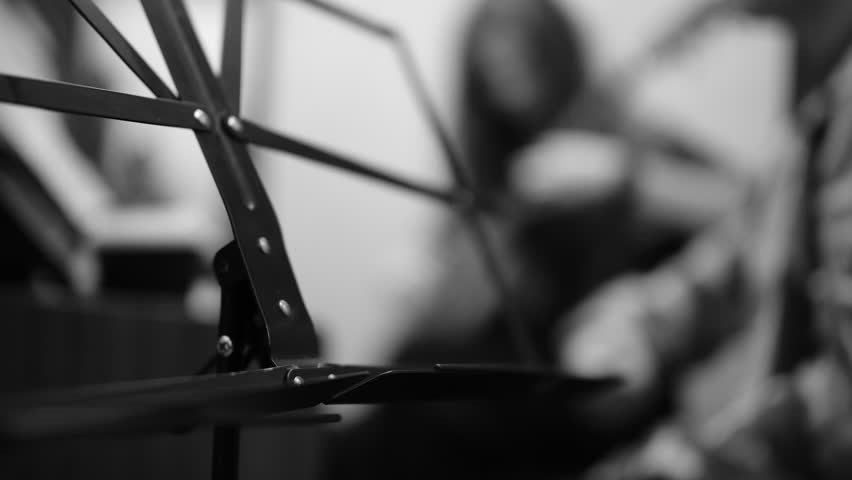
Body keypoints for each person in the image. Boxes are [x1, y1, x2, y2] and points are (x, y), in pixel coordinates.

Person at [319, 1, 760, 478]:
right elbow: (468, 313)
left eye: (523, 64)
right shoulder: (494, 166)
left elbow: (757, 209)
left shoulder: (626, 139)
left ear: (556, 55)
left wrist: (622, 175)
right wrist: (431, 281)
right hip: (512, 382)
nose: (511, 87)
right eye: (494, 74)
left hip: (598, 377)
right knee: (407, 377)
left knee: (420, 419)